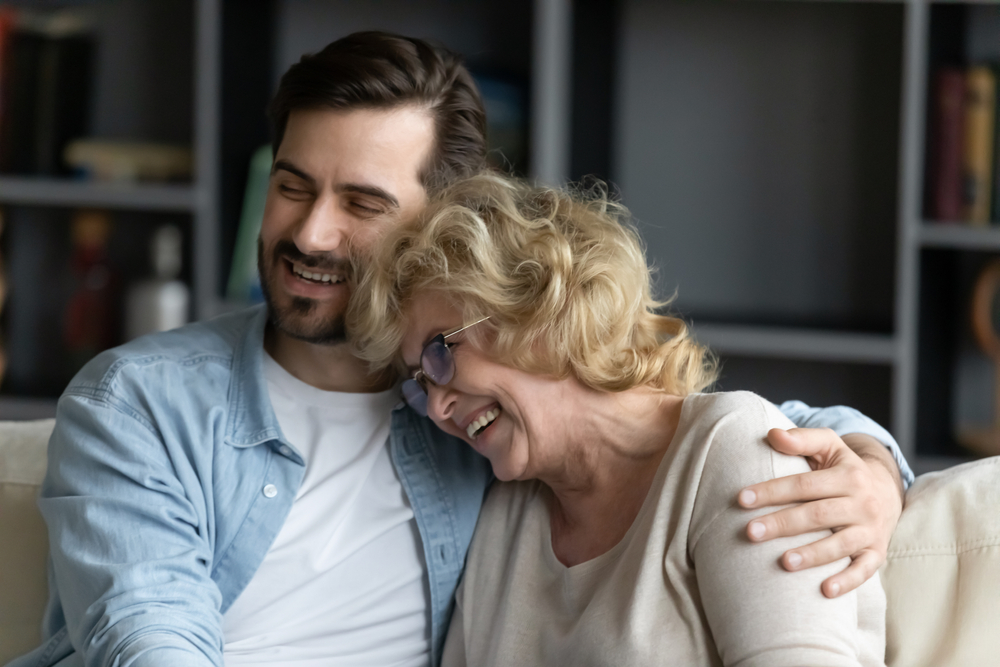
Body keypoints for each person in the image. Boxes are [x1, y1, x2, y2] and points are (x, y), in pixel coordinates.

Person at [8, 32, 910, 667]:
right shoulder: (141, 401)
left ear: (442, 228)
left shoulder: (478, 428)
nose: (310, 233)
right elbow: (146, 633)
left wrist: (872, 465)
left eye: (361, 203)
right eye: (291, 186)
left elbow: (702, 435)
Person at [349, 172, 888, 665]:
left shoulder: (730, 449)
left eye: (440, 355)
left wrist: (880, 463)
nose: (439, 407)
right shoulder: (503, 520)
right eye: (421, 385)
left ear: (538, 305)